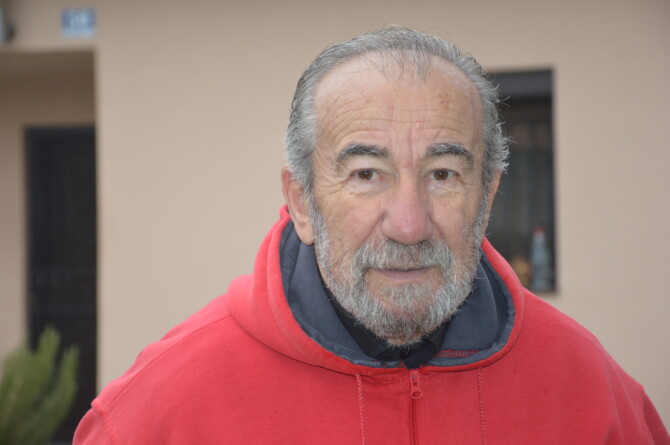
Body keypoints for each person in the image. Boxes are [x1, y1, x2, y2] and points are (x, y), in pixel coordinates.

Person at [74, 26, 669, 444]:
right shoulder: (157, 415)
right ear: (302, 202)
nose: (408, 224)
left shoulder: (596, 396)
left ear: (486, 197)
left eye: (443, 174)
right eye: (366, 174)